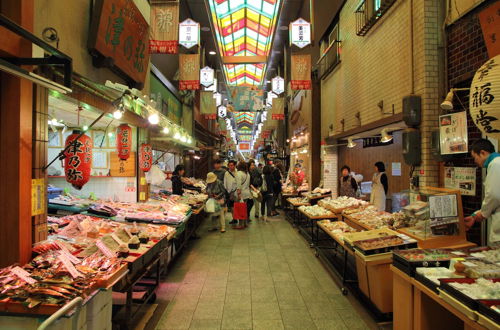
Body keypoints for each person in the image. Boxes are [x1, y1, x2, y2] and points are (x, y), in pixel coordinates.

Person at [465, 139, 500, 245]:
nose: (475, 161)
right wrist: (476, 214)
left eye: (475, 157)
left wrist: (483, 214)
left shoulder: (495, 164)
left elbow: (494, 195)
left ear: (483, 153)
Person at [235, 161, 253, 227]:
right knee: (244, 209)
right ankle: (245, 223)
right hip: (247, 193)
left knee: (240, 209)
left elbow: (238, 185)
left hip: (241, 193)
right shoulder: (247, 173)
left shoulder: (238, 173)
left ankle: (240, 224)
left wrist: (239, 194)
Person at [224, 160, 238, 224]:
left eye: (232, 165)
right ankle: (234, 218)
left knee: (238, 206)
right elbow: (225, 183)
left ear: (235, 165)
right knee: (232, 206)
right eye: (229, 165)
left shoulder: (238, 172)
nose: (230, 167)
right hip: (230, 193)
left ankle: (240, 218)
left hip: (237, 192)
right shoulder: (226, 173)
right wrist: (227, 192)